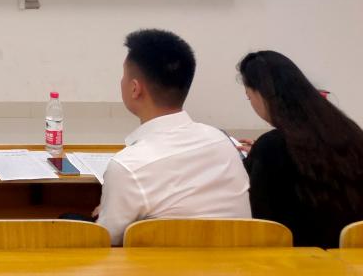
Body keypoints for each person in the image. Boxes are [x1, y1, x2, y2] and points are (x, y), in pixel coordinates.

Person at [97, 29, 249, 245]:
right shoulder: (222, 143)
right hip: (235, 259)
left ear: (135, 89)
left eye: (124, 76)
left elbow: (106, 241)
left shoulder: (128, 167)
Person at [238, 50, 363, 247]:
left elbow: (261, 221)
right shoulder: (350, 132)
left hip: (294, 258)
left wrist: (257, 158)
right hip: (351, 255)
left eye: (249, 96)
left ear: (261, 94)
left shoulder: (271, 147)